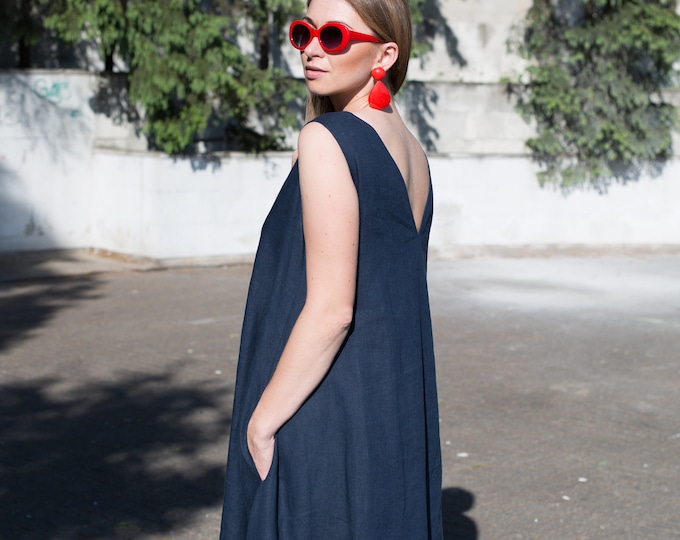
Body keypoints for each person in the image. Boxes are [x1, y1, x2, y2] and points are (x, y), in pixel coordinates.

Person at [219, 0, 443, 537]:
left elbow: (332, 310)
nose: (312, 49)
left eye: (335, 36)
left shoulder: (327, 139)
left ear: (384, 56)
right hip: (389, 410)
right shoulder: (413, 152)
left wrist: (262, 421)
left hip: (325, 412)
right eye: (304, 32)